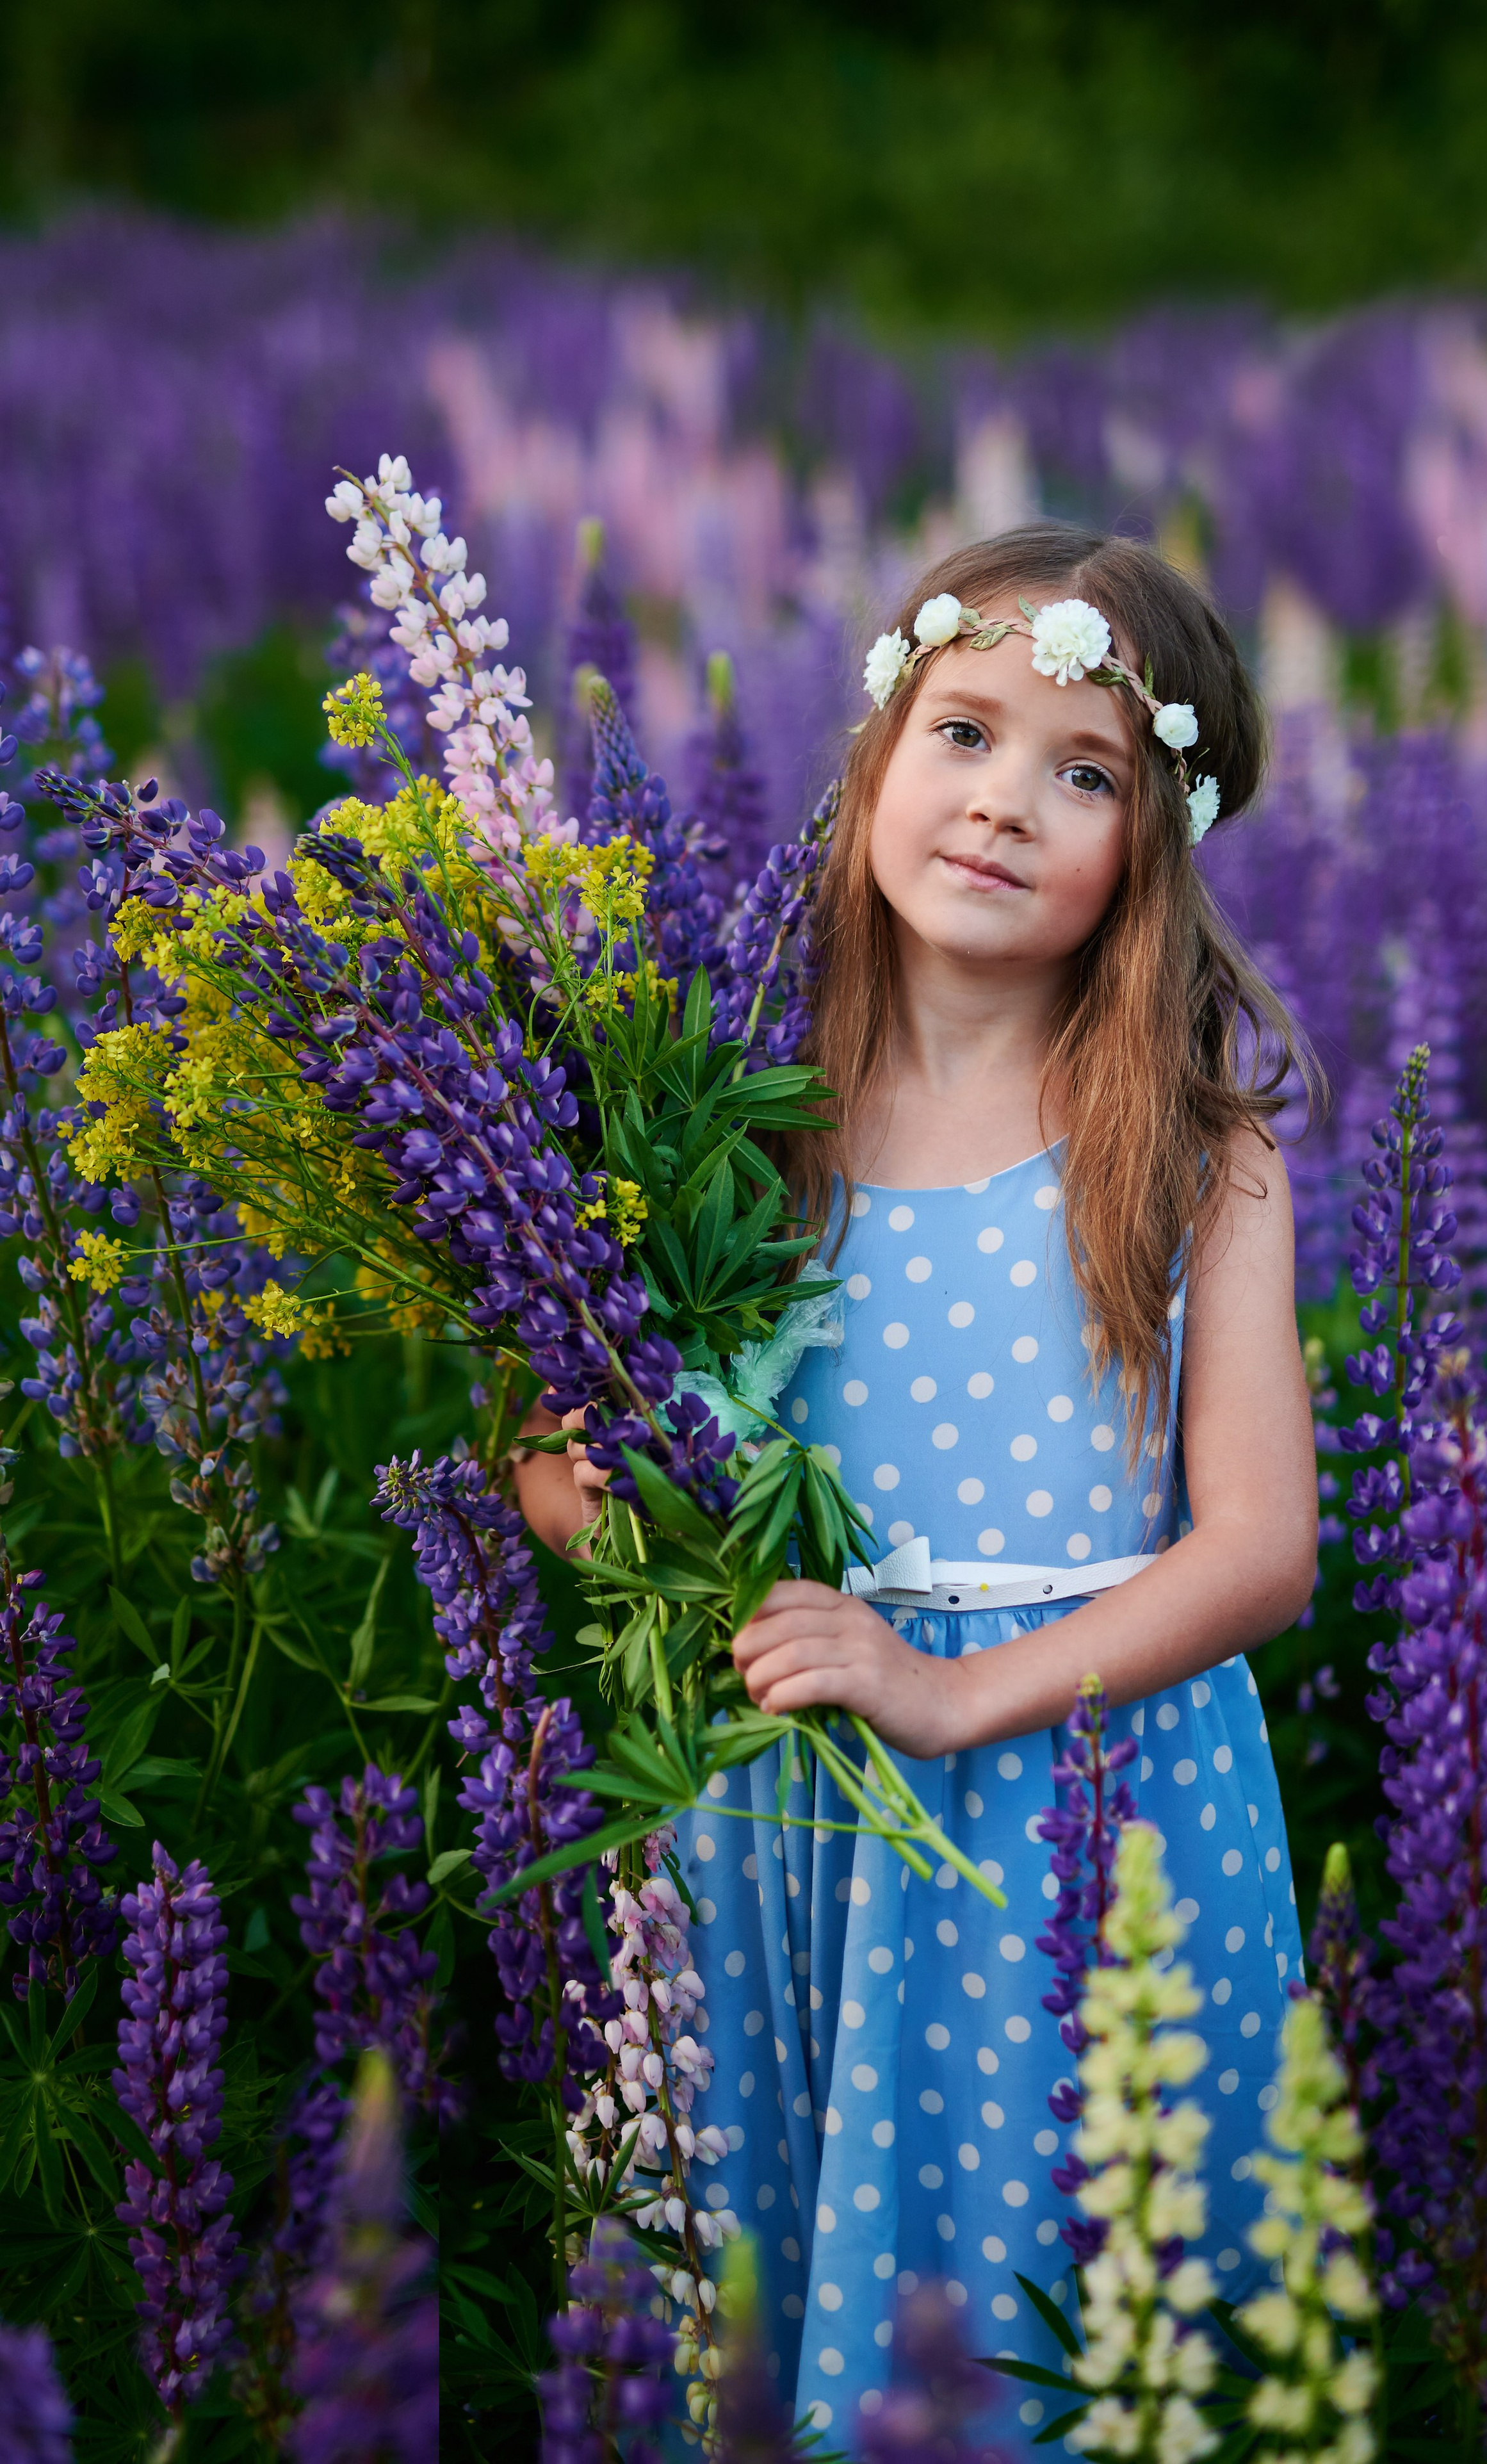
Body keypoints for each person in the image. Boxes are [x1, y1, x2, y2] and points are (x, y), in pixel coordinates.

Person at [514, 524, 1320, 2454]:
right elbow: (555, 1448)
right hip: (784, 1803)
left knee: (1055, 2317)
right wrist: (645, 1541)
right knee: (772, 2311)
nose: (1003, 801)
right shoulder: (721, 1109)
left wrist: (952, 1692)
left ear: (1154, 848)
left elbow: (1261, 1550)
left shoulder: (1192, 1159)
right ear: (880, 749)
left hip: (1073, 1813)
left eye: (1085, 773)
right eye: (965, 731)